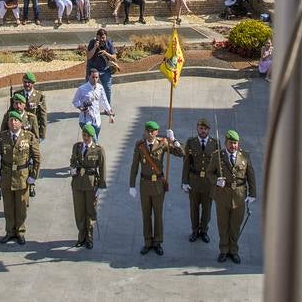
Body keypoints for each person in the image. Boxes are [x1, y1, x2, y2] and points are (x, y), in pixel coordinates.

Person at [128, 121, 185, 256]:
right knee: (146, 215)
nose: (147, 134)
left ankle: (158, 242)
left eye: (150, 131)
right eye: (146, 131)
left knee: (158, 215)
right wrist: (132, 185)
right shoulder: (140, 146)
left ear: (156, 133)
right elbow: (134, 166)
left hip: (158, 185)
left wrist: (173, 140)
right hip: (145, 184)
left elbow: (181, 153)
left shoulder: (163, 143)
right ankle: (148, 242)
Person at [0, 110, 42, 244]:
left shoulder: (29, 137)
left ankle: (20, 231)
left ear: (21, 123)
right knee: (8, 206)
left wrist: (33, 175)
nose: (13, 123)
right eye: (11, 121)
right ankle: (9, 231)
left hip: (22, 175)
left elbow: (36, 157)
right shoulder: (2, 137)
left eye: (16, 121)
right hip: (6, 175)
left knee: (21, 206)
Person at [212, 129, 257, 264]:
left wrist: (252, 194)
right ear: (226, 142)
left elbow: (251, 176)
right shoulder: (217, 156)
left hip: (239, 195)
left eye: (235, 143)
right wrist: (216, 180)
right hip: (223, 195)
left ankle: (234, 250)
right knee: (223, 225)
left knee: (235, 225)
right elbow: (209, 173)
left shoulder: (245, 156)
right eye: (231, 143)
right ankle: (224, 250)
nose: (233, 146)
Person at [181, 118, 220, 243]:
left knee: (207, 210)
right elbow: (186, 163)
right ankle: (194, 230)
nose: (203, 131)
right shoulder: (191, 142)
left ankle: (204, 231)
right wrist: (184, 181)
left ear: (209, 130)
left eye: (205, 129)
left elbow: (218, 165)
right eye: (201, 128)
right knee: (194, 208)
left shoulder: (215, 143)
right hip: (195, 181)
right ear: (197, 129)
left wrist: (218, 181)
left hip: (208, 183)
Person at [70, 123, 106, 248]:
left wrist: (101, 186)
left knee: (90, 211)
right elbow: (72, 161)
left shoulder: (98, 150)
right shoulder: (77, 147)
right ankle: (81, 236)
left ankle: (89, 238)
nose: (85, 138)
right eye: (84, 135)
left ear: (92, 136)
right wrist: (73, 169)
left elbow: (102, 168)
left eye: (88, 136)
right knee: (79, 211)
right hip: (78, 183)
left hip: (91, 183)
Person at [86, 28, 117, 103]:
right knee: (88, 89)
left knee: (107, 89)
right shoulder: (92, 42)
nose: (101, 40)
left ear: (106, 37)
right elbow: (88, 56)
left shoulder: (109, 43)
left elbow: (114, 58)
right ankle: (88, 108)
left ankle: (108, 108)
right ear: (96, 37)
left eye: (103, 38)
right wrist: (95, 47)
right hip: (92, 70)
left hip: (105, 69)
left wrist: (106, 53)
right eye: (99, 38)